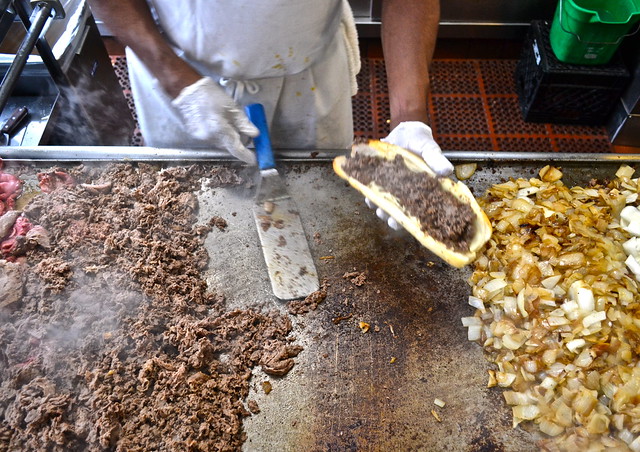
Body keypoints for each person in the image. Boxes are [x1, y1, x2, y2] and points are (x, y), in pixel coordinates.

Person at [89, 0, 452, 226]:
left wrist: (410, 117)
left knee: (325, 216)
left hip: (307, 73)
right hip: (181, 72)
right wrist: (176, 80)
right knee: (183, 219)